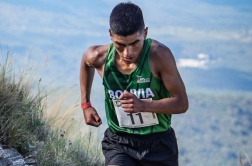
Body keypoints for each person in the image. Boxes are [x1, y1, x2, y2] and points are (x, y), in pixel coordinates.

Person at [79, 2, 188, 166]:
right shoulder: (99, 57)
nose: (127, 53)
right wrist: (85, 104)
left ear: (145, 33)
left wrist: (143, 105)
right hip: (119, 142)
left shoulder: (159, 56)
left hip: (159, 145)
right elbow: (86, 62)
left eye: (134, 43)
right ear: (110, 35)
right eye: (120, 45)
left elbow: (181, 104)